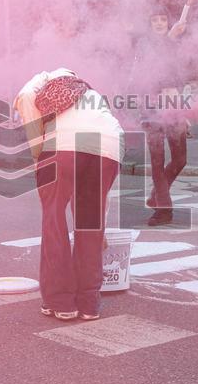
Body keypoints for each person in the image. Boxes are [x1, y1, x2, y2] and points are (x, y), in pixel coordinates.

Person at [15, 68, 124, 320]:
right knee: (89, 222)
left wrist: (38, 155)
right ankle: (88, 303)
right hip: (109, 146)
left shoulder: (41, 80)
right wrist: (101, 230)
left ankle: (60, 301)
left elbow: (25, 100)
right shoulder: (86, 90)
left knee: (53, 220)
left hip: (62, 147)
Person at [130, 9, 189, 227]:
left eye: (163, 19)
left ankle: (156, 195)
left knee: (181, 159)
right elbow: (144, 73)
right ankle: (163, 210)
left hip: (173, 105)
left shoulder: (175, 43)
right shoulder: (145, 44)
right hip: (152, 106)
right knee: (157, 160)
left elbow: (180, 73)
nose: (159, 23)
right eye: (154, 19)